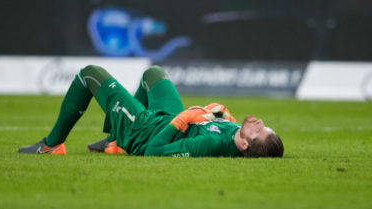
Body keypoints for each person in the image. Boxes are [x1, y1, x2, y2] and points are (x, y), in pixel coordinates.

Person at [18, 65, 284, 158]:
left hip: (144, 131)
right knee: (153, 74)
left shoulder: (208, 145)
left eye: (258, 130)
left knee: (90, 74)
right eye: (263, 125)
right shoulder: (235, 135)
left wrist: (184, 118)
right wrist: (221, 114)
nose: (258, 122)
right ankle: (113, 140)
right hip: (165, 118)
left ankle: (52, 145)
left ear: (247, 146)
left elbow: (154, 152)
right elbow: (219, 126)